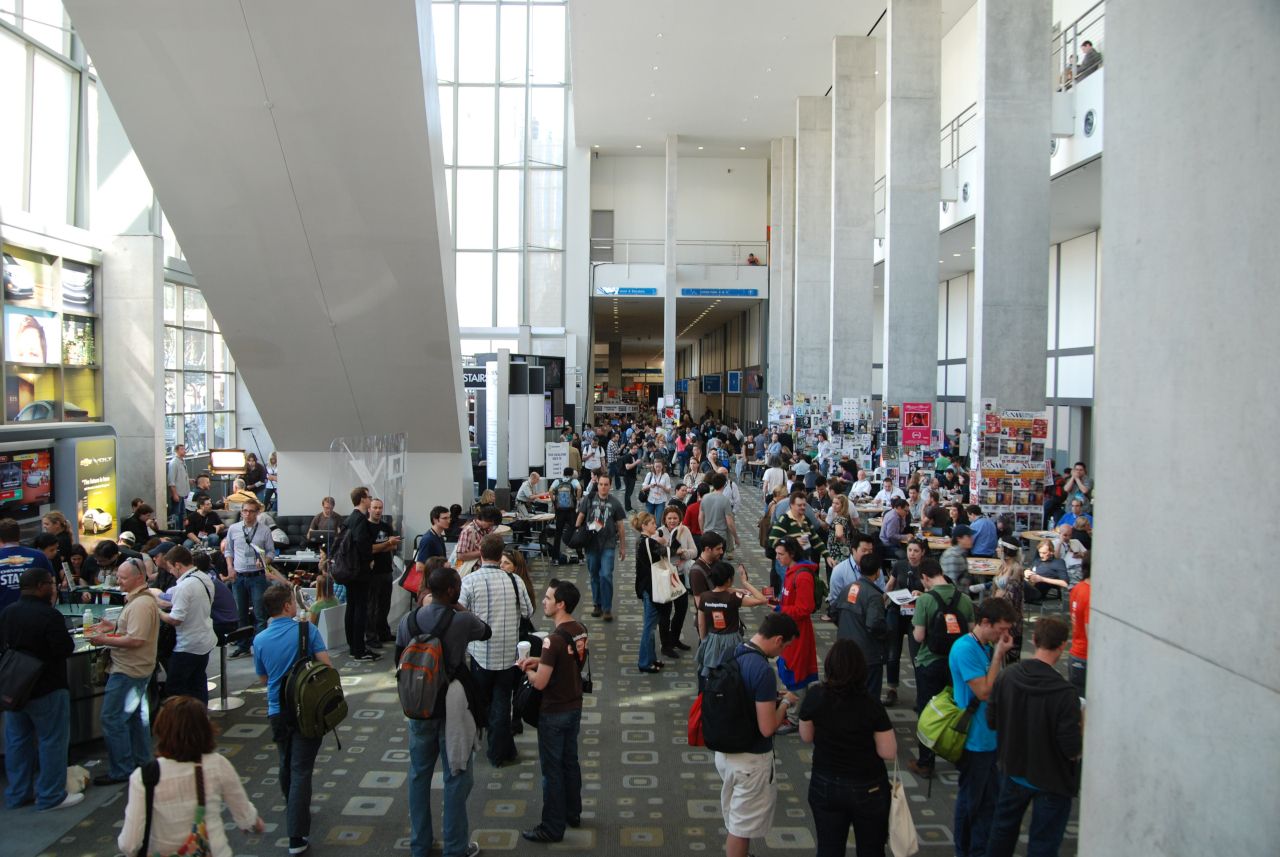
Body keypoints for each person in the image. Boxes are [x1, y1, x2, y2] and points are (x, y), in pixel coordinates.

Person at [397, 565, 490, 857]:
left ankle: (420, 845)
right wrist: (459, 608)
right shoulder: (460, 621)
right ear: (451, 591)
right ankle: (455, 847)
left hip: (418, 706)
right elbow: (484, 631)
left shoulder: (408, 620)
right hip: (452, 706)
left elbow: (398, 660)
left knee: (418, 775)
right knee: (457, 774)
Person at [984, 616, 1083, 857]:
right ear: (1063, 645)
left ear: (1034, 639)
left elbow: (992, 721)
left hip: (1013, 769)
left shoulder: (1007, 677)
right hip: (1052, 779)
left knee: (1002, 830)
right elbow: (1071, 748)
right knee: (1044, 842)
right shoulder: (1065, 693)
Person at [116, 696, 262, 855]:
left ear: (161, 729)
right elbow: (243, 813)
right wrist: (253, 823)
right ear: (205, 729)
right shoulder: (217, 764)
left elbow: (129, 844)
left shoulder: (143, 777)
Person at [713, 613, 801, 857]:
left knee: (736, 813)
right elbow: (767, 728)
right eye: (785, 647)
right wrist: (785, 704)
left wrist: (771, 696)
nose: (783, 653)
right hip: (751, 759)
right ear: (778, 639)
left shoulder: (732, 651)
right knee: (741, 827)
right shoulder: (762, 670)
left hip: (725, 748)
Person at [799, 639, 896, 857]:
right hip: (867, 785)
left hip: (825, 782)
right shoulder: (871, 704)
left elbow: (806, 736)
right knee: (871, 848)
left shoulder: (815, 696)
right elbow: (888, 752)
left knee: (829, 848)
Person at [254, 583, 332, 854]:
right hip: (306, 709)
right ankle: (296, 835)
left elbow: (263, 678)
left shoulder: (259, 640)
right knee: (302, 769)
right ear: (287, 606)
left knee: (285, 760)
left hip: (277, 710)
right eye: (293, 601)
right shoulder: (306, 630)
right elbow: (326, 666)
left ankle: (292, 807)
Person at [1, 568, 79, 811]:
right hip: (48, 686)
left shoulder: (7, 613)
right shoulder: (50, 616)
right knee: (52, 741)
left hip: (14, 688)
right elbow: (64, 648)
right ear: (41, 586)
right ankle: (50, 795)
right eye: (52, 584)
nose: (54, 588)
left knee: (16, 741)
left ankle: (17, 793)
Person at [517, 579, 587, 844]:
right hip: (574, 705)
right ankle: (573, 812)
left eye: (548, 598)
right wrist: (540, 661)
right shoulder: (579, 629)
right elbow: (567, 662)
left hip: (554, 710)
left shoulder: (551, 640)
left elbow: (541, 682)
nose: (543, 602)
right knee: (570, 761)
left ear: (561, 604)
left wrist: (529, 670)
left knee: (552, 770)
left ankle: (551, 827)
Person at [950, 598, 1019, 857]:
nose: (1005, 635)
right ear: (985, 622)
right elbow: (984, 691)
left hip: (989, 738)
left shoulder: (984, 647)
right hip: (974, 741)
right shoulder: (965, 649)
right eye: (1001, 629)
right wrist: (999, 656)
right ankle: (966, 850)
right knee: (971, 802)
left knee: (988, 803)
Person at [459, 533, 533, 767]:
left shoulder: (470, 581)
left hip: (480, 653)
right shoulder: (514, 580)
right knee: (502, 701)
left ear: (480, 552)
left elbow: (461, 615)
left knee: (483, 701)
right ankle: (501, 751)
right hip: (509, 654)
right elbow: (528, 613)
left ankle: (493, 746)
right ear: (500, 554)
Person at [85, 558, 160, 786]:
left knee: (112, 718)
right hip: (138, 668)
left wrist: (104, 639)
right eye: (118, 576)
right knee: (137, 718)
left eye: (123, 578)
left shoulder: (140, 604)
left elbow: (136, 639)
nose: (118, 581)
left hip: (129, 669)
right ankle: (141, 760)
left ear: (139, 578)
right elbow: (134, 633)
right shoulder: (139, 601)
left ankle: (122, 768)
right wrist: (114, 628)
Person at [907, 557, 975, 778]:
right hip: (958, 662)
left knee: (928, 709)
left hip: (931, 661)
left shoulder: (925, 600)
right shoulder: (963, 599)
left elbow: (918, 636)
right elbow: (972, 631)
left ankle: (926, 762)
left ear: (925, 578)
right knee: (958, 707)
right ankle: (959, 754)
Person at [159, 544, 217, 702]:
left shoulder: (185, 586)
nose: (171, 572)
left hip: (188, 644)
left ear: (177, 565)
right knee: (197, 684)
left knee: (174, 688)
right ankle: (200, 719)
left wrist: (158, 612)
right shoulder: (205, 577)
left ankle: (183, 722)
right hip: (205, 639)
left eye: (171, 568)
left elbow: (176, 619)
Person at [223, 498, 279, 657]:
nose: (247, 514)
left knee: (259, 613)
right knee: (240, 613)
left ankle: (261, 646)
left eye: (251, 511)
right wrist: (230, 568)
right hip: (239, 576)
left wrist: (264, 561)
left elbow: (271, 552)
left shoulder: (264, 530)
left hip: (257, 576)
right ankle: (243, 645)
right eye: (245, 511)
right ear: (241, 512)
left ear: (257, 512)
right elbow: (229, 551)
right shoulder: (233, 529)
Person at [774, 537, 819, 734]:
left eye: (780, 554)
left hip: (798, 633)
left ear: (792, 554)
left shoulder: (802, 576)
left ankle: (793, 718)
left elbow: (804, 608)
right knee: (791, 668)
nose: (777, 558)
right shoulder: (791, 571)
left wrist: (781, 609)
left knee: (796, 672)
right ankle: (797, 712)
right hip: (789, 629)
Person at [834, 554, 890, 699]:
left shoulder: (848, 588)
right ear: (878, 572)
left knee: (848, 691)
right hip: (868, 654)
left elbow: (833, 612)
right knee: (869, 695)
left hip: (845, 649)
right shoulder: (874, 596)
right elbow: (874, 624)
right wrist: (888, 631)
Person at [575, 474, 627, 621]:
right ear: (597, 485)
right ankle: (597, 604)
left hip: (608, 545)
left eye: (606, 484)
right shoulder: (589, 499)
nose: (603, 487)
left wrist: (622, 547)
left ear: (610, 486)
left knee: (606, 575)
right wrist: (576, 533)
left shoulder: (615, 503)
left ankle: (607, 608)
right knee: (594, 575)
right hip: (591, 544)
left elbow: (621, 527)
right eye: (601, 484)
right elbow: (581, 515)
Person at [883, 538, 928, 706]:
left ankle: (921, 693)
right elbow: (890, 585)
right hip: (897, 610)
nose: (912, 554)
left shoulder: (927, 568)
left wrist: (923, 595)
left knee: (916, 654)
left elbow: (933, 591)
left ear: (922, 552)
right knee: (893, 652)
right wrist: (882, 600)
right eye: (910, 550)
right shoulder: (900, 565)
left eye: (916, 551)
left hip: (916, 614)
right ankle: (892, 688)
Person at [344, 486, 379, 660]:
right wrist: (368, 560)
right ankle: (358, 648)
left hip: (351, 569)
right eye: (368, 497)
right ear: (363, 499)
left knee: (352, 606)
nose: (370, 499)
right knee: (359, 608)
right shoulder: (359, 519)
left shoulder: (350, 518)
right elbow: (361, 542)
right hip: (359, 570)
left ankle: (353, 644)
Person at [658, 505, 696, 656]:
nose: (672, 521)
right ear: (665, 519)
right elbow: (657, 554)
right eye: (669, 518)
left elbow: (694, 551)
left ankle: (674, 639)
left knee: (681, 609)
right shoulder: (659, 532)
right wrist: (672, 554)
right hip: (665, 575)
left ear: (679, 518)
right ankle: (665, 645)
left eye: (675, 518)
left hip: (680, 575)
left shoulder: (684, 530)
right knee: (665, 612)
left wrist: (683, 554)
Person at [367, 498, 402, 647]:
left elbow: (392, 548)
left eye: (380, 508)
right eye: (375, 507)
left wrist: (382, 546)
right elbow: (370, 548)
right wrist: (386, 544)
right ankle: (371, 637)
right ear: (369, 509)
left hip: (387, 570)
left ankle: (383, 633)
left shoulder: (386, 526)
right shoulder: (366, 527)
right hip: (372, 573)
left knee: (384, 605)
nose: (378, 510)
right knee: (372, 607)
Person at [0, 517, 53, 611]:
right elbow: (52, 586)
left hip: (3, 618)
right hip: (36, 615)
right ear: (19, 535)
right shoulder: (39, 556)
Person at [1068, 555, 1091, 696]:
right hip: (1085, 657)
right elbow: (1090, 632)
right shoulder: (1091, 594)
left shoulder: (1078, 588)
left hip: (1075, 653)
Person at [700, 471, 738, 555]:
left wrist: (702, 531)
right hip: (720, 535)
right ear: (724, 484)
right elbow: (730, 522)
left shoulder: (705, 497)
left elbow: (700, 517)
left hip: (707, 533)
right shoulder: (725, 500)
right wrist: (736, 537)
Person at [1026, 538, 1071, 603]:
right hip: (1029, 585)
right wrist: (1026, 572)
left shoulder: (1058, 563)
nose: (1041, 555)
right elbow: (1030, 568)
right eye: (1040, 552)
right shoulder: (1037, 560)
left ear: (1051, 552)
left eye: (1044, 553)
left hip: (1039, 591)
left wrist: (1042, 579)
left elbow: (1065, 583)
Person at [413, 505, 451, 574]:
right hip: (431, 582)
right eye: (445, 518)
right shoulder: (428, 539)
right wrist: (443, 566)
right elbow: (419, 567)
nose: (448, 521)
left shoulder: (439, 536)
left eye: (449, 518)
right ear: (435, 520)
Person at [167, 443, 191, 527]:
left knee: (182, 514)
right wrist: (174, 494)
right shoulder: (174, 463)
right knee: (176, 514)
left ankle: (182, 529)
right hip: (178, 493)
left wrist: (189, 481)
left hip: (184, 493)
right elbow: (171, 480)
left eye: (184, 449)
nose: (184, 451)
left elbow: (181, 477)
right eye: (182, 449)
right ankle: (176, 530)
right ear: (176, 451)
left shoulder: (182, 462)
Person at [618, 441, 641, 511]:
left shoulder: (635, 455)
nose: (636, 450)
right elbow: (627, 467)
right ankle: (628, 508)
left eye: (636, 448)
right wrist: (636, 462)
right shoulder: (627, 456)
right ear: (630, 449)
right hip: (628, 477)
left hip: (632, 476)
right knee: (628, 493)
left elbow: (634, 467)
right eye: (634, 448)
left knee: (629, 492)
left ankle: (628, 507)